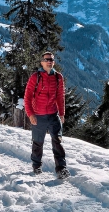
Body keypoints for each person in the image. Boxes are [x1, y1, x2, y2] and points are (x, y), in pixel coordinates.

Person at [23, 51, 70, 179]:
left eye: (51, 59)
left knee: (57, 141)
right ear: (42, 62)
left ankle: (61, 169)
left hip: (53, 114)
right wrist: (31, 114)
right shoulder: (35, 77)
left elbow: (60, 96)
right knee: (38, 142)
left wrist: (61, 113)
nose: (49, 61)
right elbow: (27, 97)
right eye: (47, 59)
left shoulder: (58, 77)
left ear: (53, 62)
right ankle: (36, 165)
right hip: (38, 115)